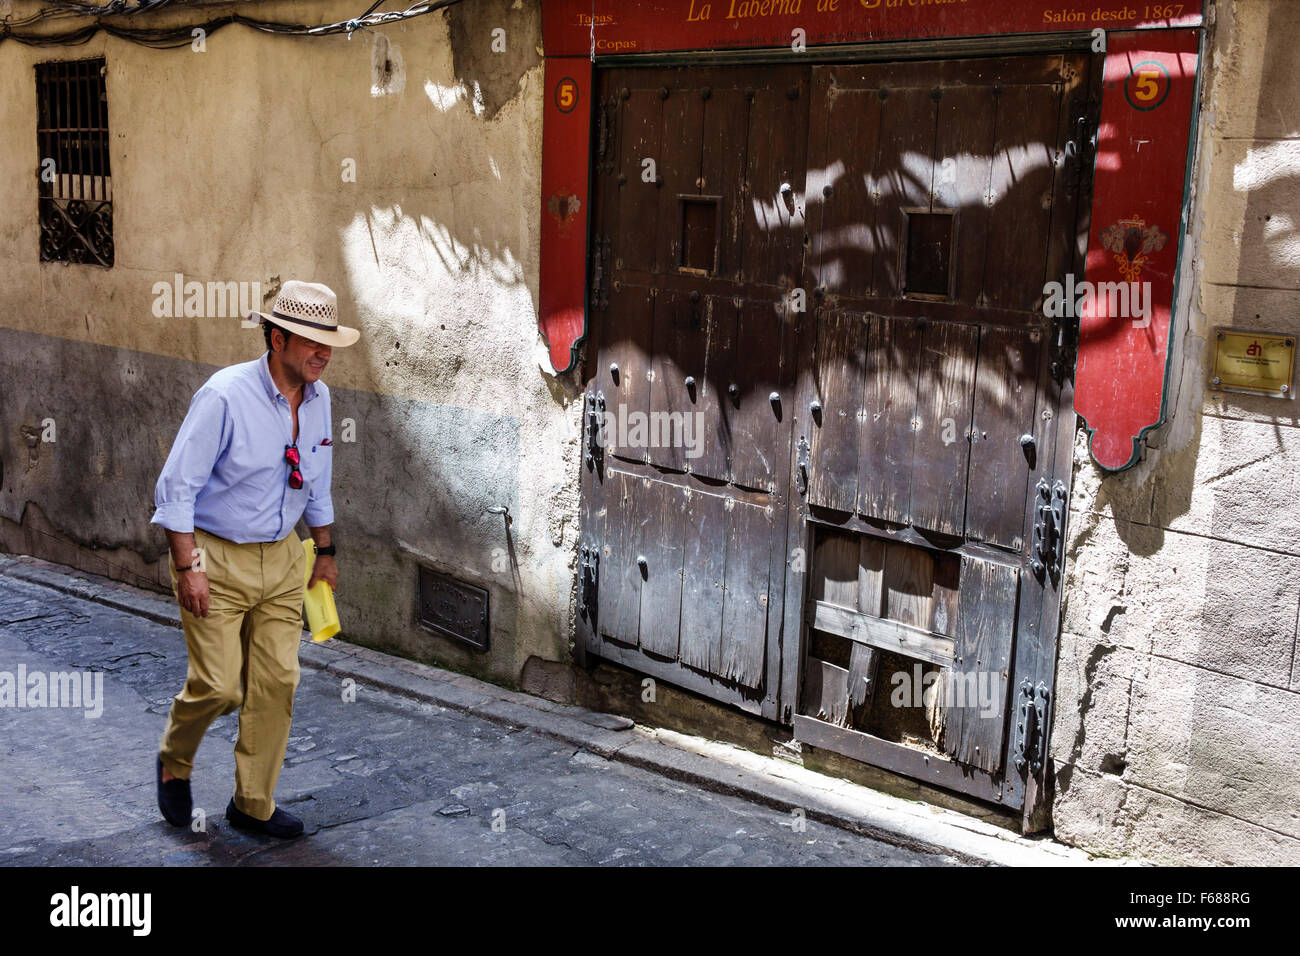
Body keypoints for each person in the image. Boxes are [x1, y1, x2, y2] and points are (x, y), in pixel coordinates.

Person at [151, 280, 359, 838]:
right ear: (277, 338)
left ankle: (252, 803)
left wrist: (324, 551)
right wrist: (188, 567)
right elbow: (176, 487)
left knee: (277, 684)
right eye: (312, 341)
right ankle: (175, 757)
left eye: (328, 342)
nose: (323, 353)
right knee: (220, 687)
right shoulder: (224, 395)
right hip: (215, 558)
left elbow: (316, 482)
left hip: (285, 560)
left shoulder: (320, 399)